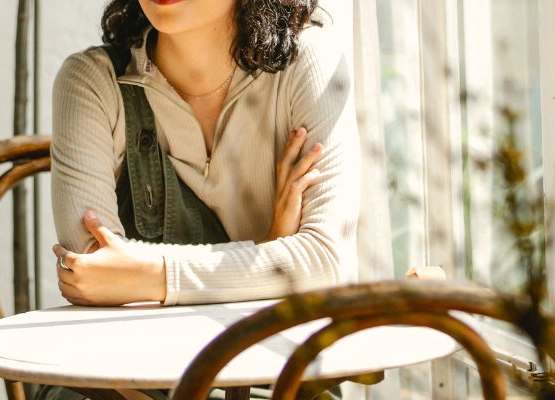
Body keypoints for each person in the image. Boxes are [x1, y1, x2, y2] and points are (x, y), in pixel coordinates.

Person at [49, 0, 359, 310]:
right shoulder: (93, 81)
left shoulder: (311, 61)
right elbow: (93, 269)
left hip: (290, 352)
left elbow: (327, 261)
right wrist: (269, 248)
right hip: (150, 353)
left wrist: (156, 275)